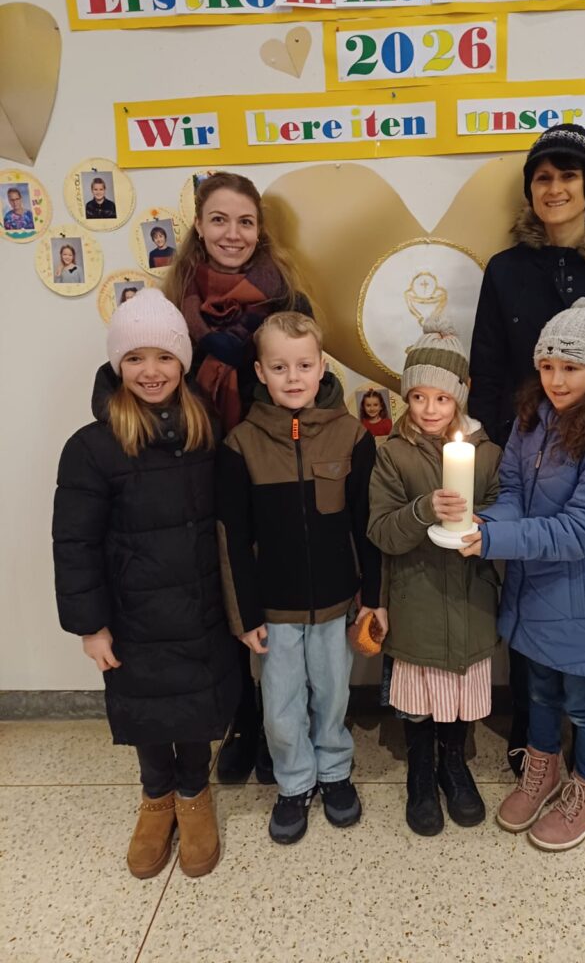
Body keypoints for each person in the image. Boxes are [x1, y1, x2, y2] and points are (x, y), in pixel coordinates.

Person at [468, 122, 585, 770]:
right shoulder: (506, 269)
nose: (555, 188)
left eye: (568, 175)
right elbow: (489, 369)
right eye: (542, 177)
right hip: (526, 461)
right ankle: (533, 735)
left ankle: (582, 742)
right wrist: (511, 451)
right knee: (528, 596)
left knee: (576, 599)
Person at [52, 289, 240, 879]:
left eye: (164, 357)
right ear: (117, 366)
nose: (151, 371)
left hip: (199, 604)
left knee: (195, 705)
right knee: (147, 708)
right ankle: (157, 795)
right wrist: (91, 626)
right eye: (135, 358)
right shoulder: (92, 447)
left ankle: (194, 791)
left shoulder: (205, 430)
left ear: (183, 362)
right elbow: (74, 543)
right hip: (133, 614)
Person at [460, 298, 585, 851]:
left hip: (580, 597)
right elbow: (514, 493)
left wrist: (496, 541)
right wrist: (485, 522)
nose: (556, 380)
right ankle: (541, 771)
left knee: (583, 703)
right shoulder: (534, 419)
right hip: (533, 589)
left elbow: (579, 531)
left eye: (570, 367)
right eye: (547, 366)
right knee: (538, 692)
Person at [216, 311, 384, 845]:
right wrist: (245, 616)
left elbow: (367, 524)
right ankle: (294, 782)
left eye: (304, 365)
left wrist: (373, 596)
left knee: (332, 695)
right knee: (281, 705)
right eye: (280, 367)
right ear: (260, 372)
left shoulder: (351, 436)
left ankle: (334, 771)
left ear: (322, 367)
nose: (293, 377)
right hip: (274, 609)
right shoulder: (241, 444)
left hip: (336, 604)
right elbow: (231, 539)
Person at [166, 171, 309, 787]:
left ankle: (280, 723)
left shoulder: (287, 300)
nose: (232, 233)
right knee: (222, 590)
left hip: (270, 468)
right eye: (219, 219)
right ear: (199, 226)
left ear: (260, 230)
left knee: (269, 594)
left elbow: (313, 385)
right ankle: (242, 720)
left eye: (245, 221)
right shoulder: (175, 305)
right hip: (201, 466)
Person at [367, 317, 501, 836]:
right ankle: (420, 772)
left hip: (469, 599)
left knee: (460, 694)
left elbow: (502, 511)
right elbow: (382, 530)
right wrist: (424, 509)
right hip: (417, 596)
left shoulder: (487, 454)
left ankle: (454, 764)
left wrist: (484, 526)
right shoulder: (393, 455)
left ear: (460, 397)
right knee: (420, 698)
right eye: (419, 397)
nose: (429, 409)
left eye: (442, 398)